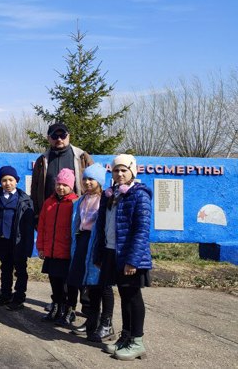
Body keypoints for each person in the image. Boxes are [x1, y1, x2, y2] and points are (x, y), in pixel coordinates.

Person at [92, 154, 152, 361]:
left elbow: (142, 230)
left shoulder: (139, 195)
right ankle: (125, 337)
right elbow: (102, 226)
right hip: (111, 252)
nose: (119, 174)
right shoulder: (110, 194)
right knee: (124, 296)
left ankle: (137, 341)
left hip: (129, 256)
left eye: (124, 170)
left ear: (132, 171)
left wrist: (133, 260)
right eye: (116, 170)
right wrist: (99, 253)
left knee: (133, 296)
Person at [67, 163, 116, 342]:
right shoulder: (81, 200)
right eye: (85, 179)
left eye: (91, 179)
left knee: (103, 286)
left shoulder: (106, 199)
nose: (87, 182)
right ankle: (92, 322)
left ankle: (106, 323)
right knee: (87, 285)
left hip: (98, 244)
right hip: (82, 242)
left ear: (100, 181)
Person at [0, 166, 35, 311]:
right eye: (4, 180)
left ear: (17, 181)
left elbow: (29, 226)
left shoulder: (24, 200)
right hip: (1, 238)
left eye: (11, 180)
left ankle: (19, 297)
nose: (7, 183)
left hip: (18, 241)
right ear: (0, 182)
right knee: (5, 268)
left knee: (20, 269)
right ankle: (5, 295)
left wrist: (28, 245)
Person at [37, 168, 79, 324]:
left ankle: (70, 310)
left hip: (67, 253)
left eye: (65, 184)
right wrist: (41, 247)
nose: (61, 187)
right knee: (55, 282)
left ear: (71, 186)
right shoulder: (49, 202)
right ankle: (57, 307)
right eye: (58, 184)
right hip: (52, 252)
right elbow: (42, 226)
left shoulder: (75, 203)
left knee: (69, 284)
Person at [30, 123, 93, 214]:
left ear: (68, 136)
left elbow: (95, 185)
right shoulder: (41, 161)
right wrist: (36, 214)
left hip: (76, 213)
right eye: (55, 136)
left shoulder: (82, 157)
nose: (59, 139)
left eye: (63, 135)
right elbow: (34, 190)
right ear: (48, 138)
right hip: (48, 214)